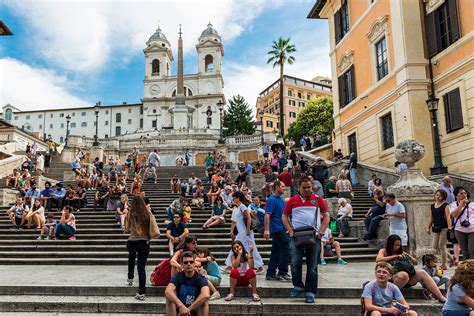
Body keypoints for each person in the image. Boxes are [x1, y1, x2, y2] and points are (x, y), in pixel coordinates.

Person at [282, 176, 330, 304]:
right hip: (296, 235)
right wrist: (290, 230)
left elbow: (326, 215)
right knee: (295, 263)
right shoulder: (292, 200)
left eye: (309, 187)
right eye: (304, 187)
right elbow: (284, 216)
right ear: (298, 187)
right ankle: (297, 286)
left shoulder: (318, 199)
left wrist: (322, 231)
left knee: (312, 266)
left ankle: (310, 291)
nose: (307, 190)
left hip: (314, 235)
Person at [375, 234, 446, 303]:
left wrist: (408, 256)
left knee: (422, 272)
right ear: (390, 244)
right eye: (395, 245)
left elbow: (416, 262)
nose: (397, 247)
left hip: (408, 279)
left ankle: (440, 297)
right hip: (393, 279)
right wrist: (395, 257)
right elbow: (378, 259)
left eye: (398, 245)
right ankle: (389, 295)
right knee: (404, 275)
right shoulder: (383, 251)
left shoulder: (401, 252)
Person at [225, 191, 264, 272]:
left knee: (248, 247)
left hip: (245, 232)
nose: (233, 199)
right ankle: (230, 265)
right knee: (242, 247)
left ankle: (259, 266)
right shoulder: (238, 208)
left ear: (238, 198)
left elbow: (249, 218)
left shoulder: (242, 206)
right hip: (241, 232)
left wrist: (247, 230)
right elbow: (236, 221)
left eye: (234, 198)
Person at [165, 251, 210, 316]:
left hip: (194, 310)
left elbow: (206, 294)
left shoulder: (200, 278)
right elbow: (168, 292)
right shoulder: (178, 276)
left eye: (191, 262)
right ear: (182, 264)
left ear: (194, 263)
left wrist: (188, 310)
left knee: (204, 301)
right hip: (180, 311)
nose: (189, 264)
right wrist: (181, 306)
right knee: (169, 298)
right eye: (186, 262)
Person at [124, 195, 151, 300]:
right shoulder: (147, 213)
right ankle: (142, 292)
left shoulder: (131, 213)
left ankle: (130, 277)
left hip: (133, 241)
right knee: (141, 267)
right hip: (145, 242)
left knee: (131, 258)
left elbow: (126, 229)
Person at [264, 180, 291, 281]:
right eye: (283, 186)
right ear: (277, 187)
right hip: (276, 229)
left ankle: (270, 273)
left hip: (281, 228)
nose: (284, 188)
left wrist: (290, 227)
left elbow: (285, 215)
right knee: (286, 248)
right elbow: (267, 215)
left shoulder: (281, 200)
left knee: (275, 251)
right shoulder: (271, 200)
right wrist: (267, 230)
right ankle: (282, 272)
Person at [427, 189, 452, 269]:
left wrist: (449, 228)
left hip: (444, 228)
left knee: (441, 246)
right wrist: (428, 227)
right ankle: (451, 258)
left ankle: (444, 265)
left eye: (440, 195)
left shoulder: (446, 205)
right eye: (437, 195)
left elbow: (448, 217)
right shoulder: (432, 205)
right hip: (436, 227)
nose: (438, 197)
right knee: (435, 246)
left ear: (443, 197)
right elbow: (431, 218)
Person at [450, 187, 473, 260]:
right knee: (464, 252)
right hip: (459, 230)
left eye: (465, 193)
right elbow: (453, 215)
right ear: (456, 196)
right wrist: (461, 205)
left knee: (472, 249)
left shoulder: (472, 204)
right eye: (461, 193)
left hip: (472, 230)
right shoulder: (453, 205)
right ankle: (467, 269)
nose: (464, 195)